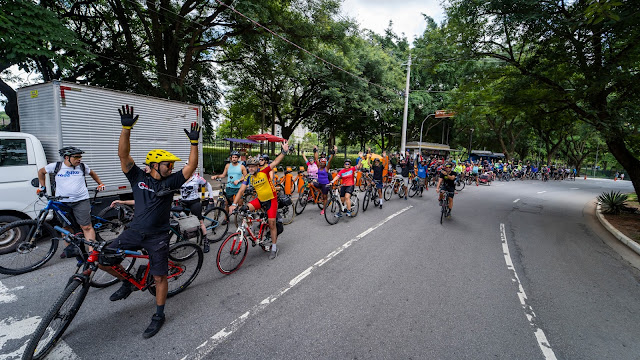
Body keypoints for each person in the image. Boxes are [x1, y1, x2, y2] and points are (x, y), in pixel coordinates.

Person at [101, 104, 200, 339]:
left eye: (172, 165)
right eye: (168, 164)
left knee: (159, 277)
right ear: (155, 165)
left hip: (158, 236)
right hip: (135, 231)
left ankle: (159, 314)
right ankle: (128, 281)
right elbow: (123, 156)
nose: (172, 167)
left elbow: (191, 166)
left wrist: (193, 144)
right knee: (103, 259)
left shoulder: (172, 181)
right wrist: (126, 129)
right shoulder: (138, 178)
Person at [37, 146, 106, 257]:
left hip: (81, 200)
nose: (79, 159)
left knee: (86, 227)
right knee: (66, 227)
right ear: (66, 157)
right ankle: (70, 248)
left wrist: (100, 183)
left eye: (80, 157)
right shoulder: (56, 166)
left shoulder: (82, 167)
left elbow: (92, 173)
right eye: (76, 157)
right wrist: (42, 187)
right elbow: (41, 172)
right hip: (62, 202)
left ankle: (92, 251)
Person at [228, 142, 290, 260]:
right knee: (244, 209)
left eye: (253, 166)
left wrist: (284, 152)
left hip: (271, 200)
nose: (251, 168)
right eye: (249, 167)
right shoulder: (248, 177)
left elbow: (276, 162)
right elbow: (241, 191)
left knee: (272, 224)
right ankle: (251, 229)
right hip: (260, 200)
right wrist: (234, 204)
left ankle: (274, 247)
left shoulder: (264, 171)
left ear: (257, 167)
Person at [180, 169, 214, 252]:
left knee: (200, 222)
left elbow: (208, 185)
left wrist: (211, 197)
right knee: (182, 221)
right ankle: (185, 239)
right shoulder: (181, 177)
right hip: (183, 202)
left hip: (194, 202)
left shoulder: (197, 178)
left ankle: (206, 241)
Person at [211, 151, 247, 217]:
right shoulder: (228, 166)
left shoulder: (241, 167)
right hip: (229, 187)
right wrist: (216, 176)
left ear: (238, 158)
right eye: (233, 157)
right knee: (227, 203)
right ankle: (226, 218)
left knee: (240, 203)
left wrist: (239, 180)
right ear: (231, 158)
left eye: (236, 157)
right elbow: (223, 175)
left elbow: (246, 176)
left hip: (238, 187)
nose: (234, 159)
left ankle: (242, 217)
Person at [316, 145, 336, 215]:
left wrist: (332, 154)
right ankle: (317, 197)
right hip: (319, 183)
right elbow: (316, 159)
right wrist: (315, 151)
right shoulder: (319, 167)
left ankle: (324, 209)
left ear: (325, 163)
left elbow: (329, 161)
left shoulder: (326, 168)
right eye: (321, 162)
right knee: (312, 184)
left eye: (323, 163)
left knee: (325, 197)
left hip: (325, 184)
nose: (322, 164)